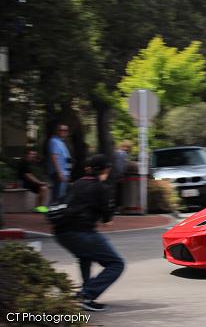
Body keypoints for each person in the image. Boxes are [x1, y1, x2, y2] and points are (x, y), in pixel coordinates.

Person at [54, 154, 125, 312]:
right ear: (106, 169)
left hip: (61, 233)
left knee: (85, 256)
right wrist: (106, 219)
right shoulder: (101, 188)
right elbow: (107, 218)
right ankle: (86, 295)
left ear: (89, 169)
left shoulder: (77, 183)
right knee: (116, 264)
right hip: (81, 232)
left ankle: (85, 295)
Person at [47, 123, 72, 203]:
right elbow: (54, 157)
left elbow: (66, 159)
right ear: (57, 131)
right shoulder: (54, 141)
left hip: (64, 173)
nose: (63, 132)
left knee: (62, 195)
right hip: (58, 173)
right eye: (61, 130)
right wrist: (59, 173)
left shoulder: (62, 142)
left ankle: (57, 212)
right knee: (57, 195)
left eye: (65, 130)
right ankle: (52, 213)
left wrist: (68, 172)